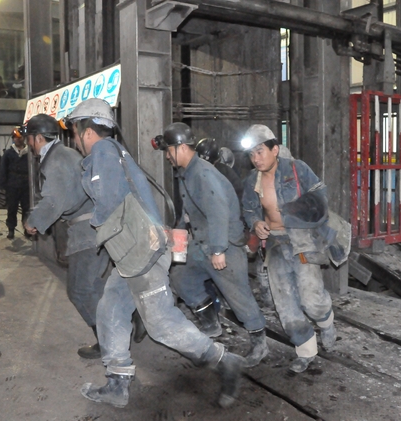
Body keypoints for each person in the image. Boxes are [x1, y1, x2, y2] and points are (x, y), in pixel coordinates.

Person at [63, 98, 244, 409]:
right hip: (132, 255)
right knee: (110, 308)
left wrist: (91, 223)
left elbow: (107, 201)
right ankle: (117, 382)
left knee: (161, 323)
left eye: (75, 133)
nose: (75, 141)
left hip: (140, 255)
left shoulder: (102, 152)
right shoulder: (115, 151)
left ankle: (225, 361)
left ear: (87, 131)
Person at [156, 123, 268, 368]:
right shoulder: (187, 173)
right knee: (180, 276)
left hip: (223, 243)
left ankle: (259, 342)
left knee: (238, 296)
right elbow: (186, 212)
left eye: (169, 150)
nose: (166, 156)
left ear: (181, 148)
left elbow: (218, 212)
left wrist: (218, 250)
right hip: (202, 242)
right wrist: (176, 241)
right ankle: (210, 322)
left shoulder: (202, 174)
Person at [241, 124, 339, 373]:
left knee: (311, 297)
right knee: (284, 301)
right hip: (275, 242)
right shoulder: (252, 180)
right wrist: (256, 223)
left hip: (302, 239)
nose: (256, 159)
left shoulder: (297, 169)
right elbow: (249, 208)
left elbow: (320, 193)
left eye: (260, 152)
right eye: (252, 154)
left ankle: (326, 322)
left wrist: (302, 210)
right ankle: (305, 350)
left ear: (274, 150)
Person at [20, 114, 109, 359]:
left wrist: (33, 222)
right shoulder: (67, 154)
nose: (29, 143)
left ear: (39, 138)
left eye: (30, 138)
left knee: (80, 291)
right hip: (96, 227)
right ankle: (129, 318)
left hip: (86, 232)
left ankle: (108, 342)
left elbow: (54, 201)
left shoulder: (56, 160)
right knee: (96, 288)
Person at [0, 127, 30, 240]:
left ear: (24, 138)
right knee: (12, 208)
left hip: (26, 185)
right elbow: (3, 169)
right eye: (15, 137)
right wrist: (2, 184)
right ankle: (11, 229)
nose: (18, 139)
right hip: (12, 185)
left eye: (19, 137)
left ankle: (27, 229)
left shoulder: (29, 153)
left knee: (27, 208)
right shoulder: (8, 153)